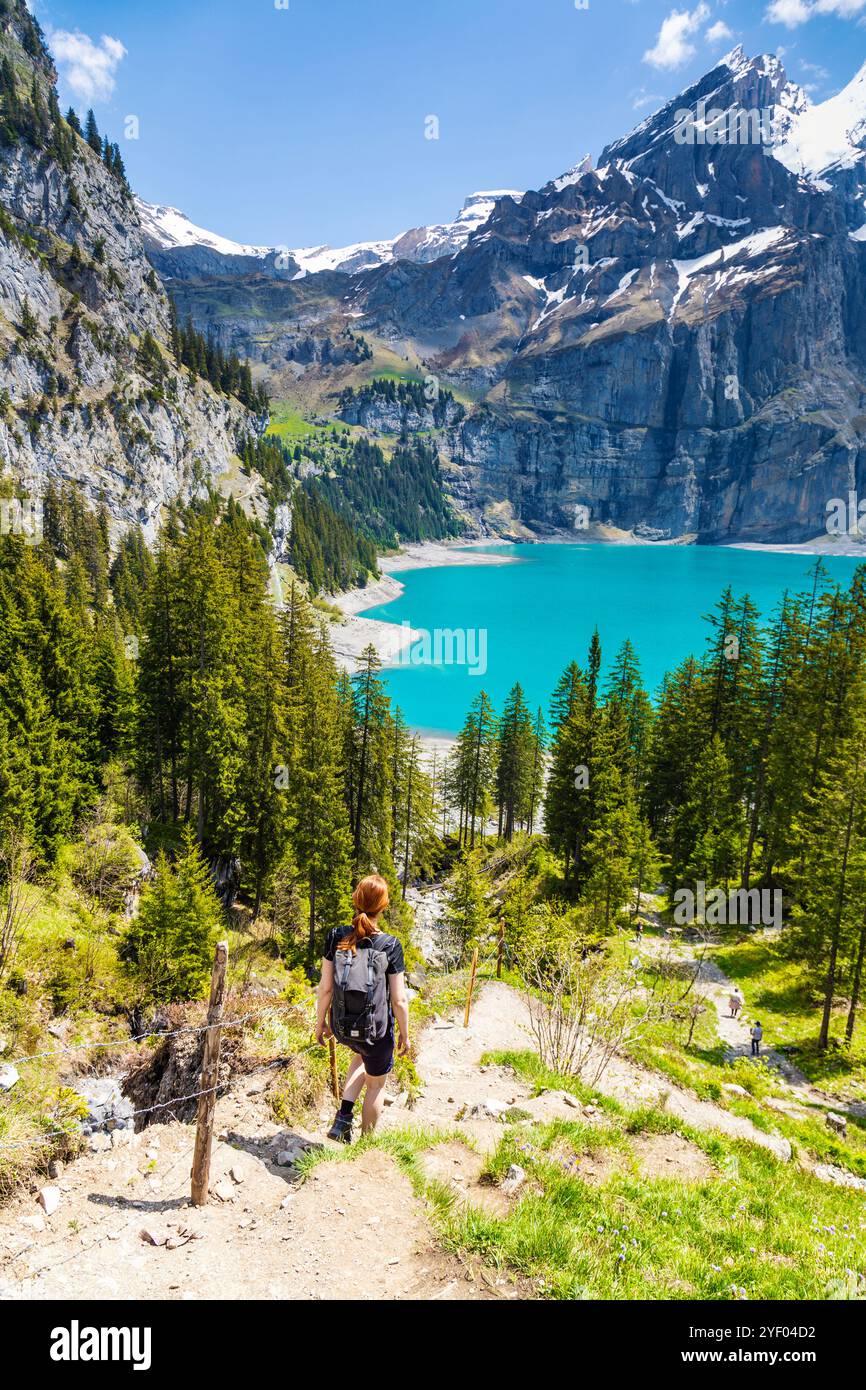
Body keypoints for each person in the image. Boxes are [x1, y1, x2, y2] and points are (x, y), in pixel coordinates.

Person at [316, 874, 410, 1143]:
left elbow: (325, 988)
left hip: (343, 1027)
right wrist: (404, 1034)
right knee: (377, 1083)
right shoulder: (390, 945)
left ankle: (344, 1116)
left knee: (360, 1054)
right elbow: (399, 1000)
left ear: (356, 901)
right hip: (376, 1031)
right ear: (383, 906)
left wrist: (320, 1022)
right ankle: (366, 1147)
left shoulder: (336, 936)